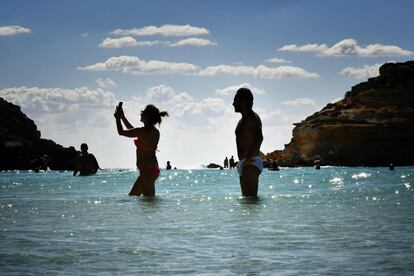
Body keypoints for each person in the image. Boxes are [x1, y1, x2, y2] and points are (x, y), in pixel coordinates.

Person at [114, 102, 168, 196]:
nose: (141, 113)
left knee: (149, 204)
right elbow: (133, 131)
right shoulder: (153, 131)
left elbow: (121, 132)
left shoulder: (143, 131)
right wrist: (122, 117)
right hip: (150, 170)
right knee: (134, 198)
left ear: (147, 117)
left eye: (142, 112)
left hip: (148, 172)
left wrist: (117, 118)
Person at [233, 88, 263, 197]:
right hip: (245, 163)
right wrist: (243, 163)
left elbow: (259, 138)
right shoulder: (243, 120)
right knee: (246, 202)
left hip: (251, 162)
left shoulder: (252, 118)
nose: (233, 104)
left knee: (251, 201)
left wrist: (248, 160)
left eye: (235, 100)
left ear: (243, 101)